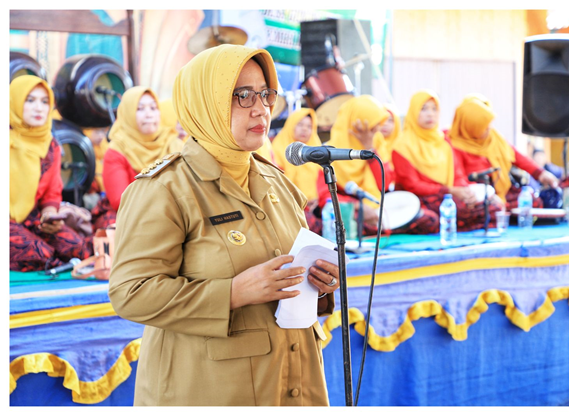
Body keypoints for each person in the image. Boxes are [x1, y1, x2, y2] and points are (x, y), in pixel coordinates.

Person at [108, 44, 339, 406]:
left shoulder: (276, 181)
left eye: (265, 94)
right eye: (241, 96)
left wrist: (317, 285)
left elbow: (290, 270)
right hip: (210, 391)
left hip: (291, 383)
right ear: (204, 103)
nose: (261, 107)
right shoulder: (165, 189)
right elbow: (131, 293)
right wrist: (232, 292)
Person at [317, 95, 439, 235]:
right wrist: (358, 206)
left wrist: (369, 149)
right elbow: (325, 197)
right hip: (351, 210)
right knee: (339, 223)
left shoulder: (377, 143)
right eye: (372, 125)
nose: (377, 130)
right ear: (355, 124)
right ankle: (384, 228)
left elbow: (385, 184)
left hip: (378, 205)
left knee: (430, 220)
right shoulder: (328, 152)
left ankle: (383, 228)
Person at [9, 75, 91, 272]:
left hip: (31, 218)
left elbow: (52, 193)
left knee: (79, 249)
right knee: (39, 254)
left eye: (45, 102)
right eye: (30, 100)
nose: (39, 108)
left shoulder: (50, 145)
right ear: (14, 101)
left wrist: (49, 215)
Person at [393, 90, 502, 231]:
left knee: (493, 207)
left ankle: (454, 224)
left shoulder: (443, 142)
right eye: (424, 109)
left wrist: (466, 193)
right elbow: (412, 185)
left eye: (434, 109)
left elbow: (457, 175)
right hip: (419, 199)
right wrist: (449, 190)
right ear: (413, 112)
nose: (430, 114)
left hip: (448, 197)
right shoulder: (402, 145)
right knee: (430, 219)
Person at [90, 87, 184, 230]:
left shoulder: (174, 145)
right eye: (140, 109)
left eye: (153, 108)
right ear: (127, 114)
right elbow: (120, 201)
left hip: (172, 212)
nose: (149, 114)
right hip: (129, 215)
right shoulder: (117, 150)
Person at [449, 95, 559, 209]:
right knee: (488, 208)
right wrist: (488, 195)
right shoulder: (454, 145)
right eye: (483, 126)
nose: (489, 128)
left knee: (533, 201)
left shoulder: (494, 137)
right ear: (470, 127)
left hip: (502, 190)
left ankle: (503, 211)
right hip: (478, 193)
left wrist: (540, 173)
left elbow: (517, 156)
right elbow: (458, 179)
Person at [272, 108, 323, 234]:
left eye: (309, 126)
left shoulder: (316, 151)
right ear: (290, 126)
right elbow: (277, 187)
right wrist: (302, 203)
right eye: (300, 124)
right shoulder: (278, 150)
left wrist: (317, 200)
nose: (305, 129)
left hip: (315, 208)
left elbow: (323, 186)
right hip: (289, 208)